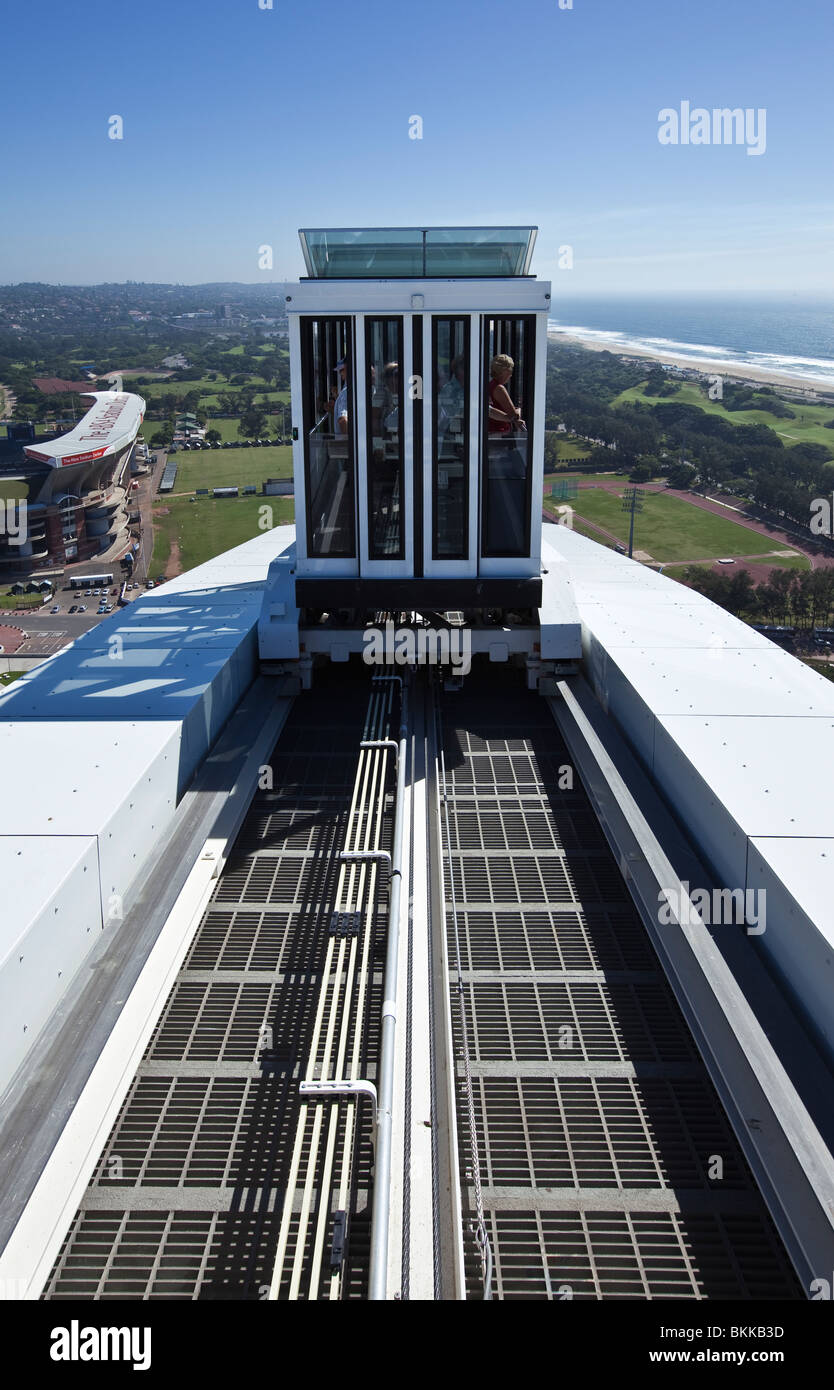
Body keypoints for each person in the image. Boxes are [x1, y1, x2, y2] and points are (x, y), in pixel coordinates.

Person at [488, 354, 525, 434]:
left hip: (491, 433)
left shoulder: (490, 385)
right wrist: (519, 409)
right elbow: (514, 415)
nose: (511, 375)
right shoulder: (499, 388)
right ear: (504, 371)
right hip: (499, 434)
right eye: (510, 370)